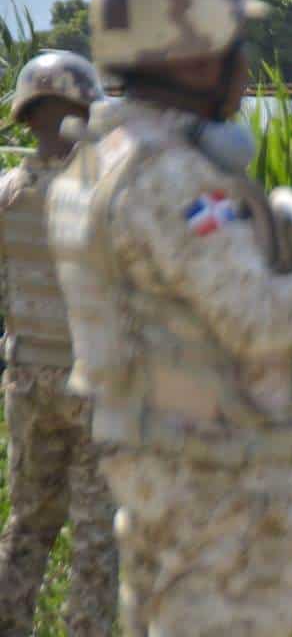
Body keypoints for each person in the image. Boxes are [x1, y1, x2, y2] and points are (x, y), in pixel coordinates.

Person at [47, 0, 292, 636]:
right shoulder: (170, 176)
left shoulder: (94, 165)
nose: (242, 67)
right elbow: (254, 317)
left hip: (161, 472)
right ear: (197, 56)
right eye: (235, 45)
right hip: (215, 496)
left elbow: (187, 336)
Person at [0, 52, 117, 637]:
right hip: (92, 391)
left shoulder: (6, 195)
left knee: (27, 528)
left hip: (25, 384)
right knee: (97, 543)